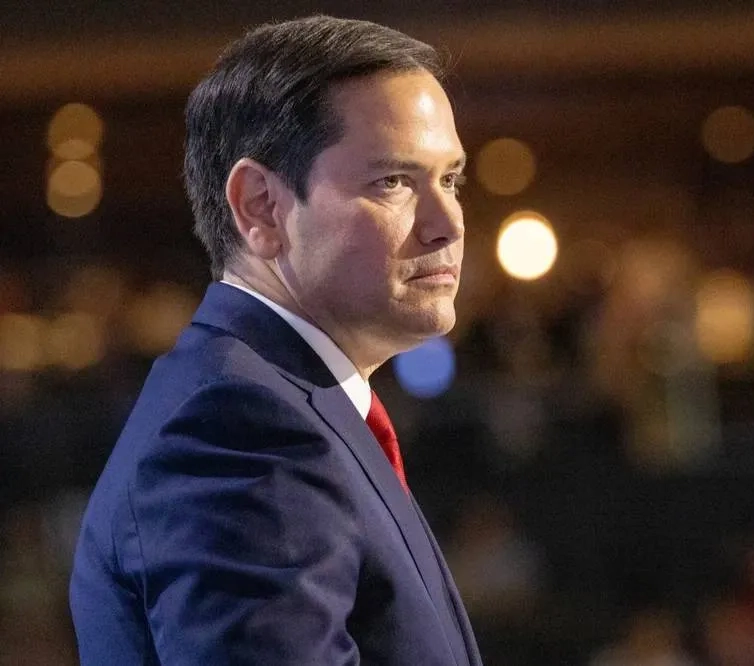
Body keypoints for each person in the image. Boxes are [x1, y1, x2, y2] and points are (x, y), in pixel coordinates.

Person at [69, 15, 480, 665]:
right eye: (394, 182)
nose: (447, 223)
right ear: (260, 205)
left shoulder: (278, 402)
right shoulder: (237, 427)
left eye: (450, 179)